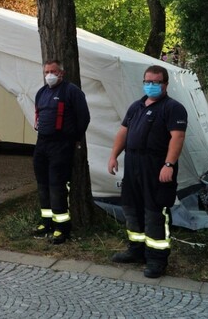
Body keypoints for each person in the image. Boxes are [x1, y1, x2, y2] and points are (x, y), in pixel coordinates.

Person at [108, 65, 187, 278]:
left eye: (155, 82)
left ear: (165, 84)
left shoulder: (173, 108)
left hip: (157, 166)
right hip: (133, 163)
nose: (150, 85)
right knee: (131, 209)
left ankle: (156, 259)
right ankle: (136, 250)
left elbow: (177, 138)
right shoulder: (136, 106)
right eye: (147, 81)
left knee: (154, 212)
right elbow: (123, 133)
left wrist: (169, 165)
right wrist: (114, 155)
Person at [32, 60, 90, 244]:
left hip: (61, 144)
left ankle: (62, 228)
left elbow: (84, 117)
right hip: (42, 143)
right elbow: (38, 115)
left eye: (53, 71)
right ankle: (46, 222)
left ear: (61, 73)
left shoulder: (71, 91)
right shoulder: (41, 92)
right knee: (42, 185)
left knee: (57, 186)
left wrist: (74, 138)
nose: (49, 74)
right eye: (46, 71)